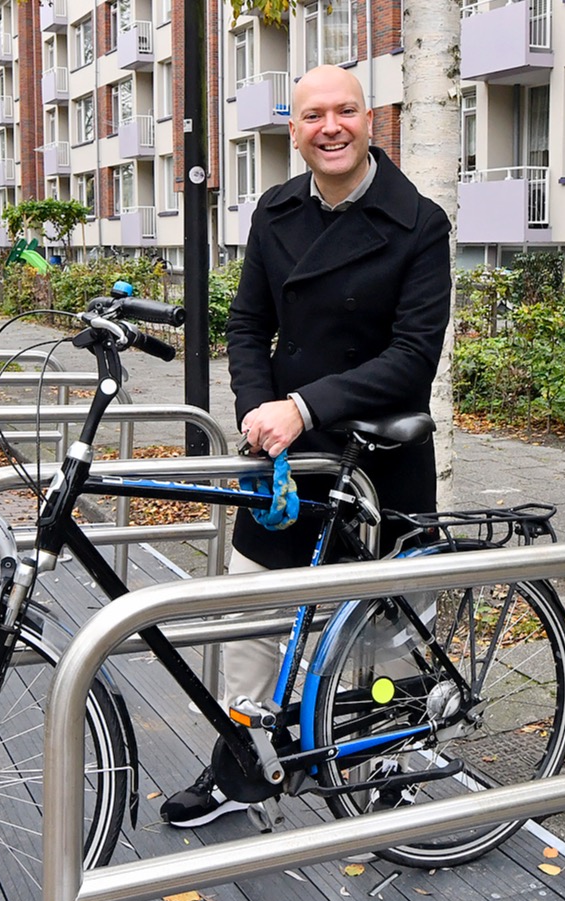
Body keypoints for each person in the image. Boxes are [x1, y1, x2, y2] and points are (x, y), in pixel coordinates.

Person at [161, 64, 453, 827]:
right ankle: (239, 762)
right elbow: (249, 326)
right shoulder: (276, 209)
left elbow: (413, 356)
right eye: (313, 114)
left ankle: (394, 753)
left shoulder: (419, 222)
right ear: (293, 128)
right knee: (251, 609)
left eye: (345, 112)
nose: (331, 127)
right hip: (287, 453)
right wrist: (260, 407)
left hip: (380, 449)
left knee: (390, 619)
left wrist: (304, 404)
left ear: (370, 120)